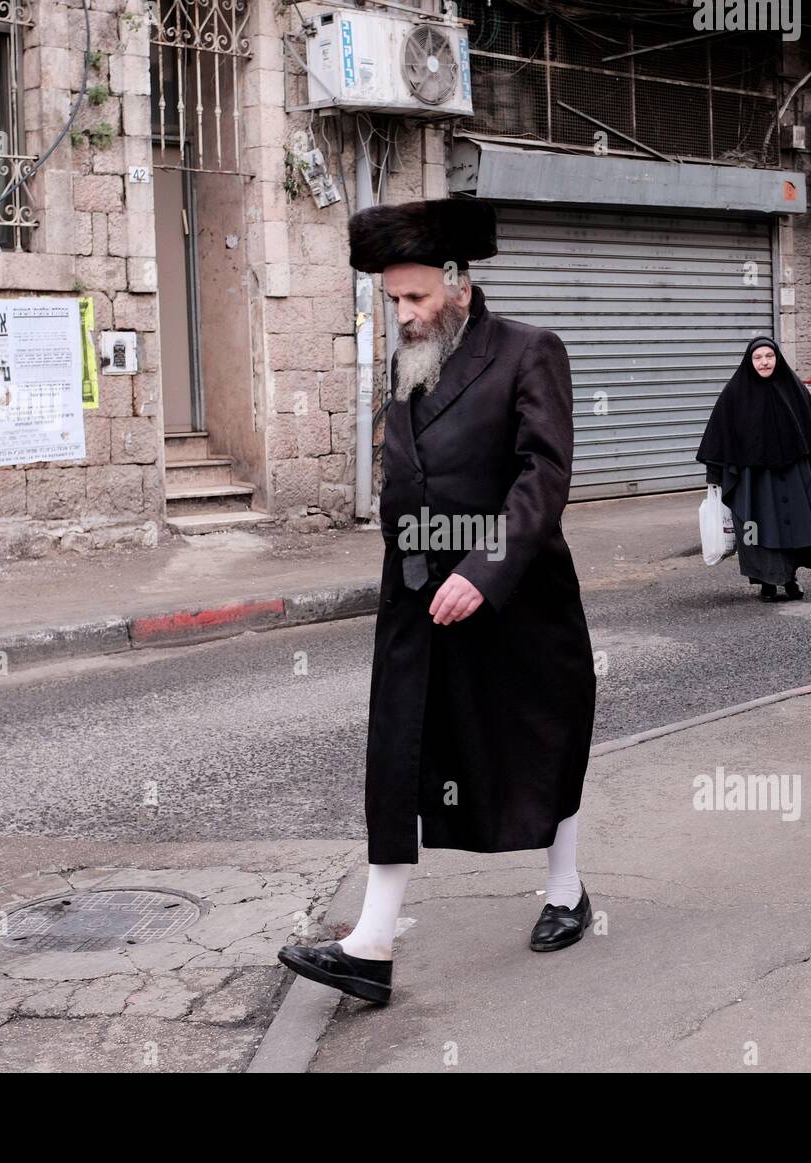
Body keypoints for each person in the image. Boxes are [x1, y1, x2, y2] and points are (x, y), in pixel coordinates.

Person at [277, 199, 598, 1005]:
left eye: (416, 298)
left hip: (513, 596)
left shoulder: (530, 351)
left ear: (458, 285)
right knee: (399, 752)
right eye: (393, 301)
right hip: (415, 593)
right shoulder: (410, 361)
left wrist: (484, 570)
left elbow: (543, 477)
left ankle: (566, 891)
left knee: (537, 740)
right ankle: (372, 945)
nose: (404, 315)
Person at [695, 337, 811, 600]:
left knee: (793, 526)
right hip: (754, 480)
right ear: (750, 361)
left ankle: (790, 579)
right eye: (758, 357)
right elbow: (719, 435)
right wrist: (715, 476)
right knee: (757, 528)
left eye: (769, 356)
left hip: (792, 475)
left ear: (777, 358)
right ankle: (766, 582)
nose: (764, 362)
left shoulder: (793, 388)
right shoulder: (735, 393)